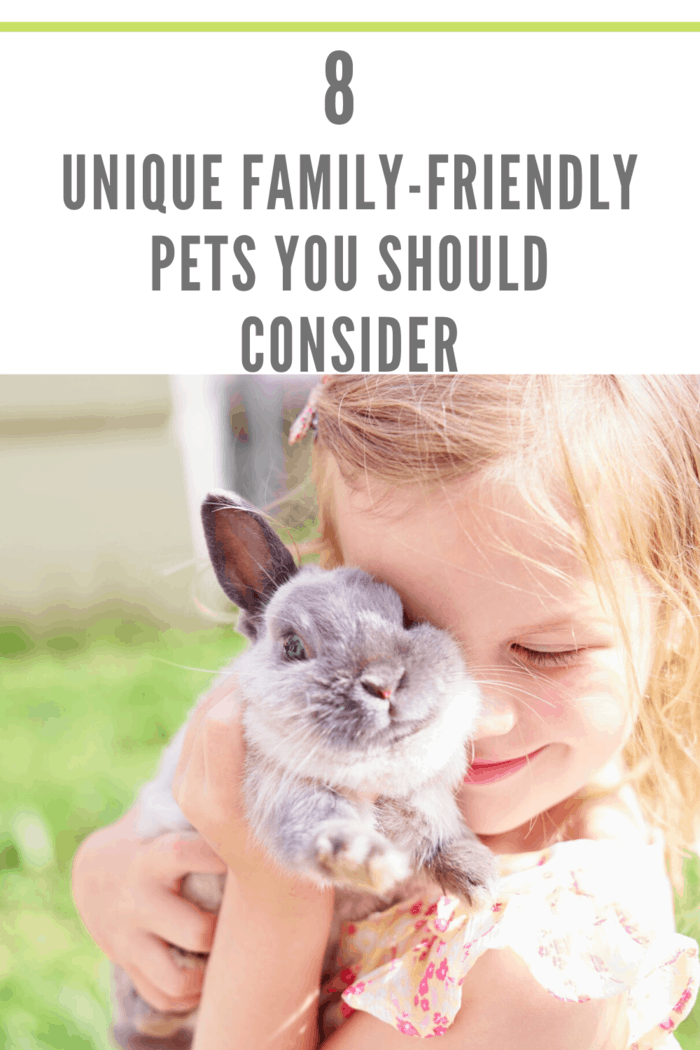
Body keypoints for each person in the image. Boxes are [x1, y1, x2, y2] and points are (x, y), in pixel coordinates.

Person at [72, 375, 700, 1050]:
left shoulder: (544, 966)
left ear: (674, 618)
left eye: (548, 651)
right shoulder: (318, 723)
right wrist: (101, 871)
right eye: (407, 621)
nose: (474, 716)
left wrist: (274, 886)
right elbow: (143, 834)